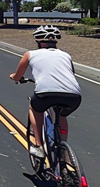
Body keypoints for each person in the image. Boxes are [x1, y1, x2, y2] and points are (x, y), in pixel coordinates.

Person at [9, 25, 82, 159]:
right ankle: (63, 147)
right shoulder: (66, 55)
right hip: (74, 96)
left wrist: (14, 77)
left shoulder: (30, 54)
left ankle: (39, 146)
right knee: (62, 115)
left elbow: (18, 76)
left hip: (45, 93)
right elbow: (71, 73)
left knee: (35, 108)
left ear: (38, 41)